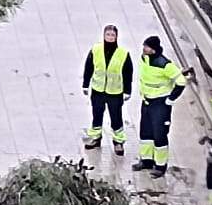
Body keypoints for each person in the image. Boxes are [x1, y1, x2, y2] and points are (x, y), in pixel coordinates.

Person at [135, 34, 189, 177]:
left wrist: (170, 100)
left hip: (160, 104)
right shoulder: (144, 58)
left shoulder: (164, 64)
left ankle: (160, 165)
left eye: (146, 46)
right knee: (146, 133)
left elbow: (181, 82)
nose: (144, 48)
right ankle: (146, 160)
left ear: (153, 49)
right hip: (147, 101)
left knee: (159, 135)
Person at [81, 25, 132, 155]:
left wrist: (127, 91)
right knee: (97, 115)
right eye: (107, 34)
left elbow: (128, 73)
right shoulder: (96, 50)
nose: (110, 37)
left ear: (116, 37)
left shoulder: (123, 54)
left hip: (115, 92)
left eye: (112, 35)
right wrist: (85, 84)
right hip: (98, 90)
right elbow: (89, 67)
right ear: (103, 35)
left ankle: (118, 142)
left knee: (116, 117)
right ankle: (96, 138)